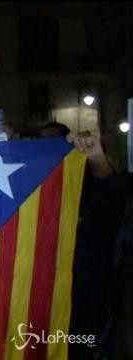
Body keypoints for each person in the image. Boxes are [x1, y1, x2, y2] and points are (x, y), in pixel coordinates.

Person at [40, 122, 126, 359]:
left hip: (83, 303)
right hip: (40, 306)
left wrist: (96, 157)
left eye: (55, 142)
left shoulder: (89, 188)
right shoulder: (40, 189)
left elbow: (109, 189)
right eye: (43, 142)